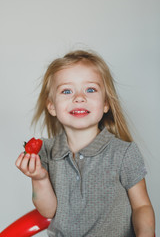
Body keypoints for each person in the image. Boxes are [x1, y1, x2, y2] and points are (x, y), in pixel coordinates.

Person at [15, 50, 155, 237]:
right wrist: (38, 178)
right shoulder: (45, 151)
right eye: (67, 91)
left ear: (106, 104)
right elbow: (48, 212)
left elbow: (142, 206)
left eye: (90, 89)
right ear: (52, 107)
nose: (79, 97)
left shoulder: (124, 153)